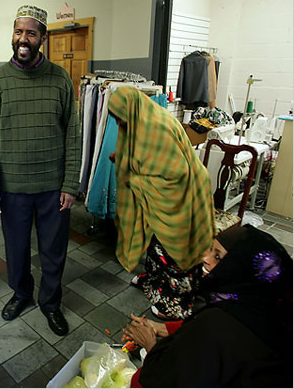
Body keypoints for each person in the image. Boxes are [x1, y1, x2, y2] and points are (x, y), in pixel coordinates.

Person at [0, 5, 81, 336]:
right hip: (12, 189)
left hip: (53, 188)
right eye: (18, 32)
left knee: (54, 251)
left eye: (31, 33)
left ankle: (50, 303)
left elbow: (73, 135)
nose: (23, 39)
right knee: (16, 249)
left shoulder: (60, 79)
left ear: (43, 38)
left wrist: (70, 184)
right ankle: (22, 293)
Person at [121, 225, 293, 387]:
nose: (205, 259)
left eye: (218, 257)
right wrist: (159, 328)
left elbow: (163, 380)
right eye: (211, 250)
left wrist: (150, 344)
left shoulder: (219, 328)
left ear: (240, 268)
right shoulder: (266, 307)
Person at [108, 85, 215, 320]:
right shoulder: (143, 119)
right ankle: (155, 284)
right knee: (156, 244)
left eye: (120, 118)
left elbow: (175, 173)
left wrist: (134, 179)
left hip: (181, 195)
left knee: (174, 250)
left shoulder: (155, 128)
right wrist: (123, 158)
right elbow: (147, 157)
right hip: (165, 198)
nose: (118, 124)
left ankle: (175, 304)